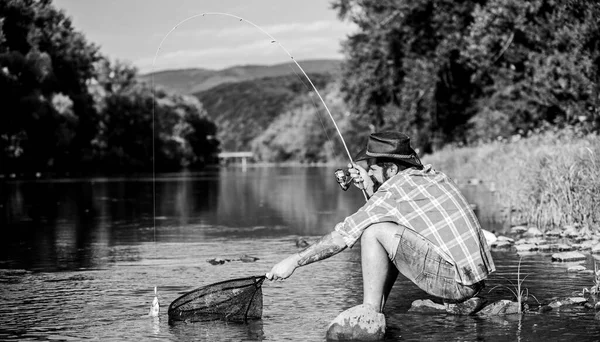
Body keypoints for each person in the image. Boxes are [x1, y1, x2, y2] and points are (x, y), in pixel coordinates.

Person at [266, 131, 495, 328]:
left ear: (392, 169)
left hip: (456, 284)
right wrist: (369, 185)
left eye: (373, 169)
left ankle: (370, 312)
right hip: (471, 280)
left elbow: (343, 236)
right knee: (385, 228)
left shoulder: (393, 191)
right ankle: (378, 310)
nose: (371, 173)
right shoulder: (429, 175)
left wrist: (294, 261)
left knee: (373, 232)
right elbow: (395, 214)